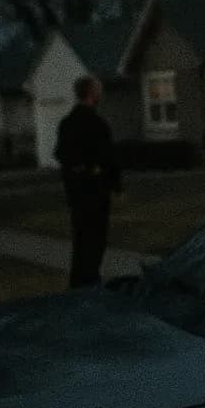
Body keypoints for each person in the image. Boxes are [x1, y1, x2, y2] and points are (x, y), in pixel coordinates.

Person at [54, 76, 121, 288]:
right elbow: (108, 156)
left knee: (81, 234)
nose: (100, 94)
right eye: (98, 90)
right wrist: (114, 182)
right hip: (95, 189)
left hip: (75, 190)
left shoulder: (67, 123)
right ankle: (90, 280)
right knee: (96, 237)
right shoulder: (97, 124)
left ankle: (79, 280)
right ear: (91, 93)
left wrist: (74, 171)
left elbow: (60, 153)